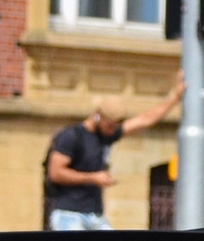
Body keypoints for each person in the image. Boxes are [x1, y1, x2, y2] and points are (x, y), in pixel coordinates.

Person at [44, 77, 187, 231]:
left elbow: (144, 120)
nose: (112, 131)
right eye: (110, 126)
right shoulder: (72, 136)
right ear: (98, 116)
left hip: (95, 215)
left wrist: (174, 99)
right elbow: (56, 173)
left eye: (115, 127)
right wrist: (93, 177)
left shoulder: (105, 136)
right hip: (69, 213)